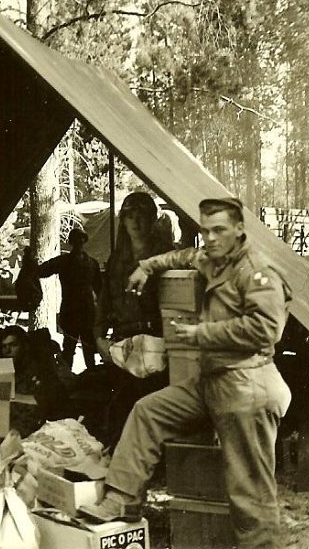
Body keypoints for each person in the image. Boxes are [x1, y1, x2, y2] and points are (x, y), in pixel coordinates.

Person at [79, 197, 292, 549]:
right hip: (212, 381)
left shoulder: (257, 271)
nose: (210, 238)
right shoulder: (213, 259)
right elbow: (181, 256)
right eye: (206, 231)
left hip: (248, 385)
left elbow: (267, 330)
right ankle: (122, 499)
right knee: (148, 412)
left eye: (219, 230)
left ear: (240, 230)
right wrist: (147, 265)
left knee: (248, 492)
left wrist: (202, 334)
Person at [94, 192, 175, 448]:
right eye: (130, 216)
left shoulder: (166, 257)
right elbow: (104, 303)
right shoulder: (117, 260)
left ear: (152, 219)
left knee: (153, 413)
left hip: (157, 345)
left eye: (142, 216)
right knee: (121, 410)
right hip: (124, 344)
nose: (136, 222)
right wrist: (99, 338)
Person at [38, 228, 102, 371]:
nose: (79, 243)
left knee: (87, 349)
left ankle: (90, 377)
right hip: (72, 311)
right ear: (72, 242)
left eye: (80, 239)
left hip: (84, 311)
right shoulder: (66, 261)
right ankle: (69, 378)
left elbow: (100, 289)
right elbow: (42, 271)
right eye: (76, 240)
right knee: (70, 348)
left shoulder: (90, 263)